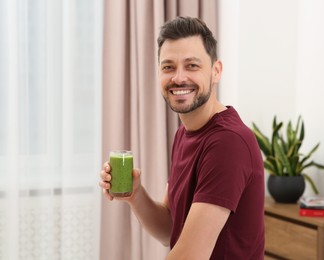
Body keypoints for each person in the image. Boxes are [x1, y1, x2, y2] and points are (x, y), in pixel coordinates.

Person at [99, 16, 265, 260]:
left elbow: (189, 256)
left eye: (192, 66)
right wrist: (136, 195)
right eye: (168, 67)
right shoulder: (184, 134)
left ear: (216, 71)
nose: (178, 78)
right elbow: (169, 229)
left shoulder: (228, 142)